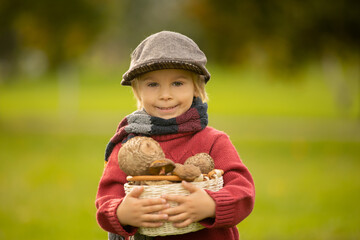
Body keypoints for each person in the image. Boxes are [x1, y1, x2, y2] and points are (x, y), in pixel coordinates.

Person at [96, 31, 255, 240]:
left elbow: (243, 191)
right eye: (152, 84)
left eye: (178, 83)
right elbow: (106, 199)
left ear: (196, 88)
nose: (165, 95)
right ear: (137, 91)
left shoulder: (213, 141)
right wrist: (121, 213)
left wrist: (211, 205)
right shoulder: (129, 144)